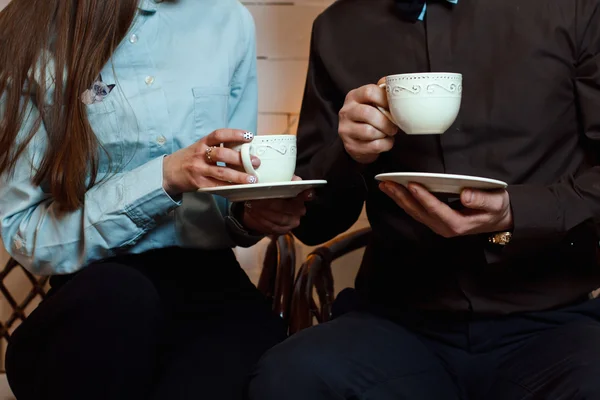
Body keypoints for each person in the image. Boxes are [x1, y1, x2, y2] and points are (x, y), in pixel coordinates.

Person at [247, 0, 600, 398]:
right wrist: (347, 154)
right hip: (398, 324)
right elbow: (314, 223)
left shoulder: (573, 8)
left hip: (554, 322)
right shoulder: (337, 27)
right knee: (290, 376)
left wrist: (517, 212)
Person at [0, 0, 310, 399]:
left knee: (278, 365)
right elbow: (25, 232)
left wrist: (251, 215)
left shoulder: (228, 19)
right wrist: (163, 178)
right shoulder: (36, 25)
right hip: (96, 300)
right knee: (121, 299)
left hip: (210, 286)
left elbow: (228, 197)